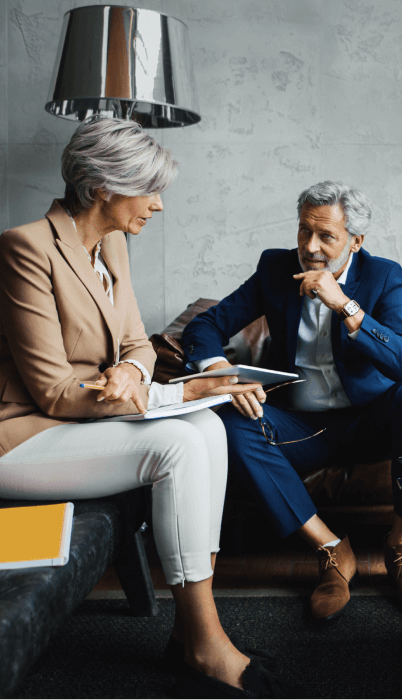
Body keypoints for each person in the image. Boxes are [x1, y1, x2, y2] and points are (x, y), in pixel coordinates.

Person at [0, 117, 298, 699]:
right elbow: (54, 391)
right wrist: (172, 391)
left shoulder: (112, 243)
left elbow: (138, 343)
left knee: (208, 427)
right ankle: (205, 646)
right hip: (24, 435)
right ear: (104, 187)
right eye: (149, 189)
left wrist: (132, 370)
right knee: (179, 439)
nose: (159, 205)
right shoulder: (24, 249)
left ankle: (193, 630)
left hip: (91, 418)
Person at [181, 181, 402, 620]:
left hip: (370, 422)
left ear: (356, 242)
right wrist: (218, 374)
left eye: (326, 236)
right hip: (305, 427)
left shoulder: (381, 275)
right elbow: (205, 326)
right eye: (304, 232)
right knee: (229, 420)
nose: (310, 247)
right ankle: (331, 549)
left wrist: (346, 306)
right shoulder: (275, 269)